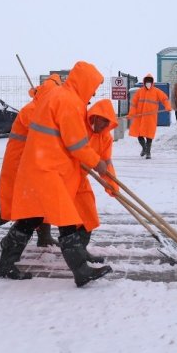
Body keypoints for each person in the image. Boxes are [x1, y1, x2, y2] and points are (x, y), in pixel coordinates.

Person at [0, 60, 112, 287]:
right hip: (47, 169)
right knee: (67, 218)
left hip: (41, 166)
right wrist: (96, 162)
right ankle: (81, 271)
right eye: (94, 87)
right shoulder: (69, 102)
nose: (93, 93)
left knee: (31, 219)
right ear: (85, 82)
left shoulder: (58, 96)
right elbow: (76, 143)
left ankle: (5, 264)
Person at [0, 74, 62, 248]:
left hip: (34, 162)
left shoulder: (43, 108)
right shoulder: (33, 110)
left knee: (41, 198)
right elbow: (45, 134)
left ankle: (44, 236)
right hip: (19, 163)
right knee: (18, 203)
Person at [72, 98, 120, 263]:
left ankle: (80, 252)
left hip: (81, 179)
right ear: (96, 116)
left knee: (89, 214)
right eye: (103, 120)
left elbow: (105, 163)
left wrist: (112, 186)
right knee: (40, 215)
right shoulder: (80, 128)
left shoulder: (105, 138)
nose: (105, 125)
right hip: (65, 176)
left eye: (109, 122)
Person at [128, 73, 172, 159]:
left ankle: (148, 152)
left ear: (152, 83)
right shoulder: (140, 92)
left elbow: (165, 99)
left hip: (150, 117)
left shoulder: (156, 91)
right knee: (139, 134)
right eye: (147, 82)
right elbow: (133, 104)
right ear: (144, 82)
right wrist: (131, 113)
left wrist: (168, 106)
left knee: (149, 135)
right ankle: (144, 148)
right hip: (140, 117)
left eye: (150, 82)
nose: (148, 83)